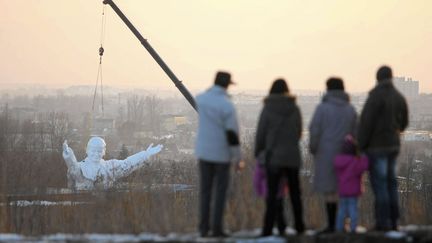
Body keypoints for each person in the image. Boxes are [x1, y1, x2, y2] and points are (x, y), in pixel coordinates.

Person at [358, 65, 409, 231]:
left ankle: (382, 222)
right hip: (393, 146)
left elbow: (365, 123)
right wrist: (396, 131)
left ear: (378, 78)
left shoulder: (375, 97)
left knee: (380, 184)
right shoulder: (399, 97)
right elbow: (405, 122)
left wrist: (361, 145)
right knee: (391, 183)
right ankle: (394, 221)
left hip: (377, 147)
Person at [195, 71, 243, 238]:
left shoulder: (201, 99)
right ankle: (217, 228)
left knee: (205, 191)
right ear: (227, 85)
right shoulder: (227, 105)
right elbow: (232, 134)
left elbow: (203, 95)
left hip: (203, 152)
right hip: (221, 155)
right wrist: (238, 157)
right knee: (220, 192)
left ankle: (203, 228)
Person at [255, 79, 305, 236]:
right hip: (292, 157)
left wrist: (259, 153)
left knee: (273, 194)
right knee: (295, 193)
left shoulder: (267, 108)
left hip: (274, 158)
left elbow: (261, 134)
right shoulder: (294, 108)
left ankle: (270, 227)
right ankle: (299, 226)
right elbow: (299, 131)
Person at [309, 77, 357, 233]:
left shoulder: (322, 108)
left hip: (326, 154)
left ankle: (331, 224)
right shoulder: (350, 109)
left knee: (330, 190)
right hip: (346, 156)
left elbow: (314, 130)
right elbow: (357, 133)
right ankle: (345, 224)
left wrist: (313, 148)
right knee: (344, 190)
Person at [62, 137, 162, 190]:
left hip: (106, 205)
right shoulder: (81, 166)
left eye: (99, 151)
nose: (96, 154)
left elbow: (127, 164)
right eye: (93, 150)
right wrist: (69, 157)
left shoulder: (110, 166)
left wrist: (145, 154)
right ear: (87, 150)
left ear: (104, 152)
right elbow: (74, 169)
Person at [334, 134, 369, 232]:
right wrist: (363, 155)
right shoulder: (355, 162)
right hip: (353, 191)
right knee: (353, 210)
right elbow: (365, 165)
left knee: (341, 210)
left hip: (342, 190)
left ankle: (339, 228)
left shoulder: (338, 161)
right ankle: (353, 228)